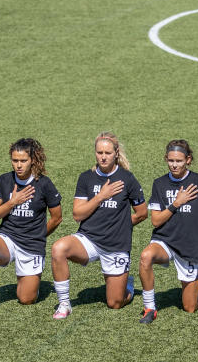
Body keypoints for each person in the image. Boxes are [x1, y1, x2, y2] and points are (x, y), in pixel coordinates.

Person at [50, 132, 147, 319]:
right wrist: (101, 195)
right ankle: (64, 304)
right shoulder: (86, 178)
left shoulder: (127, 179)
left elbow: (142, 213)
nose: (103, 157)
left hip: (116, 245)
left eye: (108, 153)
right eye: (99, 152)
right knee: (58, 248)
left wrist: (120, 226)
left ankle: (127, 285)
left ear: (116, 153)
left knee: (115, 303)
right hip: (89, 239)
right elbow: (78, 214)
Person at [0, 138, 63, 314]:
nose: (18, 165)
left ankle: (32, 283)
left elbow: (57, 218)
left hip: (32, 244)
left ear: (33, 160)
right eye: (15, 160)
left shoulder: (44, 184)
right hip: (8, 237)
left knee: (26, 299)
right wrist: (13, 202)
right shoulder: (4, 180)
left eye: (23, 161)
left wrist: (39, 235)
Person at [138, 140, 198, 324]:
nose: (174, 165)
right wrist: (176, 203)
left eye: (179, 161)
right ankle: (149, 307)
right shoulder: (159, 183)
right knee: (145, 256)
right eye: (171, 160)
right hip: (164, 241)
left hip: (189, 246)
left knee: (190, 308)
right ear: (166, 159)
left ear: (188, 160)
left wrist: (192, 231)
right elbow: (156, 220)